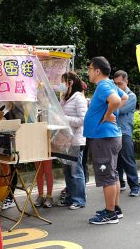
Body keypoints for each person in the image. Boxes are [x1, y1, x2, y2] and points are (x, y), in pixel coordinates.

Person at [84, 56, 128, 225]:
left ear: (97, 70)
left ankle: (110, 214)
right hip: (110, 136)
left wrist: (108, 114)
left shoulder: (103, 85)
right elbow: (124, 98)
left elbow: (117, 100)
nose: (88, 72)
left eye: (89, 69)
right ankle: (115, 209)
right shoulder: (109, 84)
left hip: (104, 137)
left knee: (107, 176)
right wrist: (110, 112)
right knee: (112, 173)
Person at [56, 71, 87, 210]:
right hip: (65, 140)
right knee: (67, 171)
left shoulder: (78, 97)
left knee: (75, 171)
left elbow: (82, 120)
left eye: (63, 82)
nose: (61, 85)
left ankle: (79, 200)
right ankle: (70, 197)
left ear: (70, 83)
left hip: (75, 140)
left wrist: (63, 118)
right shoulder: (64, 98)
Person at [112, 70, 140, 197]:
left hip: (124, 132)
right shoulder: (114, 95)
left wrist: (110, 105)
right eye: (115, 84)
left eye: (120, 84)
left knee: (128, 159)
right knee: (116, 161)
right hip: (113, 131)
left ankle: (134, 186)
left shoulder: (131, 96)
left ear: (127, 82)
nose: (118, 86)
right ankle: (121, 183)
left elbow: (119, 110)